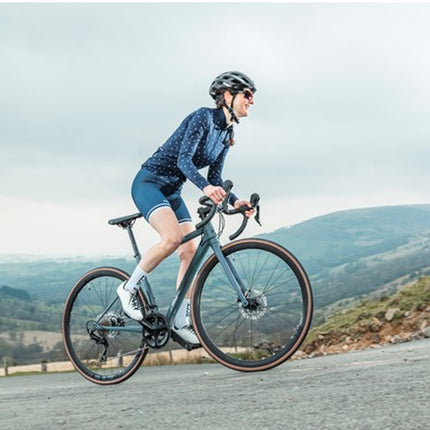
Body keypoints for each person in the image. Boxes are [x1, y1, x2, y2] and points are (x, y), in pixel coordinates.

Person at [117, 71, 256, 345]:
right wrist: (205, 188)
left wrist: (235, 201)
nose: (251, 101)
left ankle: (180, 320)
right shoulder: (202, 117)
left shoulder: (226, 133)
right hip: (149, 183)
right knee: (172, 238)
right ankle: (128, 288)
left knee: (190, 252)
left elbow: (215, 179)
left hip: (173, 192)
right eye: (247, 95)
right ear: (227, 96)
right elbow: (184, 161)